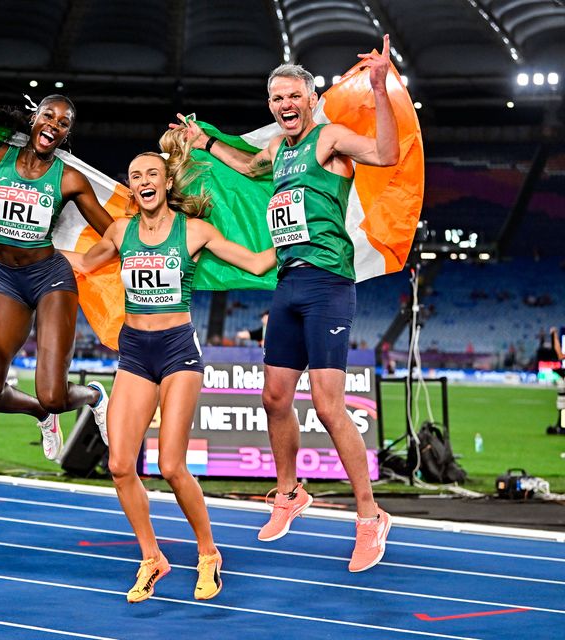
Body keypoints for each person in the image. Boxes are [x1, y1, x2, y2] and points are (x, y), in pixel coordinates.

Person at [175, 35, 399, 572]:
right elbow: (248, 165)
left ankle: (370, 515)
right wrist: (203, 142)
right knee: (274, 397)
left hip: (327, 283)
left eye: (294, 96)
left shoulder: (330, 140)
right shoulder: (279, 150)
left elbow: (386, 154)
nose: (285, 105)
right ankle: (289, 492)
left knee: (326, 404)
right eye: (277, 99)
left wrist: (379, 90)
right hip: (289, 282)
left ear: (311, 98)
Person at [62, 138, 275, 603]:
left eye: (151, 174)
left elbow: (258, 262)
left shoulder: (194, 231)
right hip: (135, 351)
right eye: (135, 177)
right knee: (120, 464)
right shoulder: (120, 231)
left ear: (167, 181)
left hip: (178, 350)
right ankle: (152, 556)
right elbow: (82, 262)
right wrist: (25, 249)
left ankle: (207, 553)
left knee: (171, 464)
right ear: (131, 187)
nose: (143, 182)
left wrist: (300, 237)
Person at [0, 95, 113, 461]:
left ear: (66, 134)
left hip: (50, 281)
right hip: (7, 284)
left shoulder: (69, 178)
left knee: (54, 396)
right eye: (49, 116)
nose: (54, 125)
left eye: (64, 123)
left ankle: (93, 396)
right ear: (34, 119)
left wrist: (87, 258)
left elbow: (112, 232)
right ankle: (39, 415)